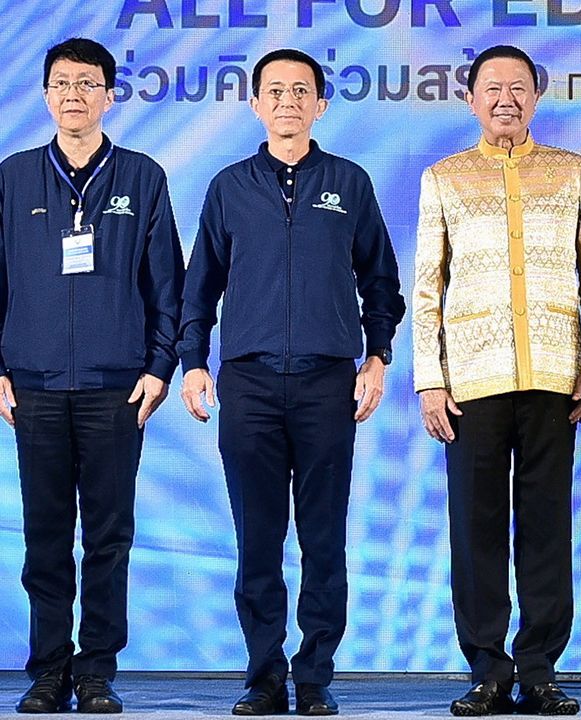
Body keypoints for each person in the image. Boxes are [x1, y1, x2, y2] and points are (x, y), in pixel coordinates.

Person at [176, 48, 405, 717]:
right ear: (255, 103)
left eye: (300, 90)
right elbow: (201, 288)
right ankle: (264, 675)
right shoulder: (229, 186)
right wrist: (194, 361)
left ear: (320, 104)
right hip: (246, 384)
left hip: (326, 384)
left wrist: (377, 356)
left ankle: (314, 677)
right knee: (258, 540)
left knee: (324, 538)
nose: (287, 101)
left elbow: (380, 281)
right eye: (274, 90)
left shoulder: (349, 183)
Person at [413, 44, 581, 716]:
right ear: (470, 98)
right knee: (476, 528)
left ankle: (540, 669)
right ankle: (487, 670)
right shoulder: (444, 177)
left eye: (519, 87)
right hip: (470, 380)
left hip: (555, 375)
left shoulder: (572, 171)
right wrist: (428, 380)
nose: (506, 98)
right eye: (492, 87)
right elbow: (427, 288)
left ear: (536, 95)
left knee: (547, 527)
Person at [0, 37, 184, 715]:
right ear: (45, 95)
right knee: (46, 536)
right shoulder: (13, 176)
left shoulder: (141, 176)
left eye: (87, 82)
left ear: (110, 93)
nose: (73, 94)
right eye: (60, 83)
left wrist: (159, 368)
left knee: (109, 535)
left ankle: (96, 671)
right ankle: (49, 670)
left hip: (115, 388)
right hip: (36, 387)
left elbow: (169, 284)